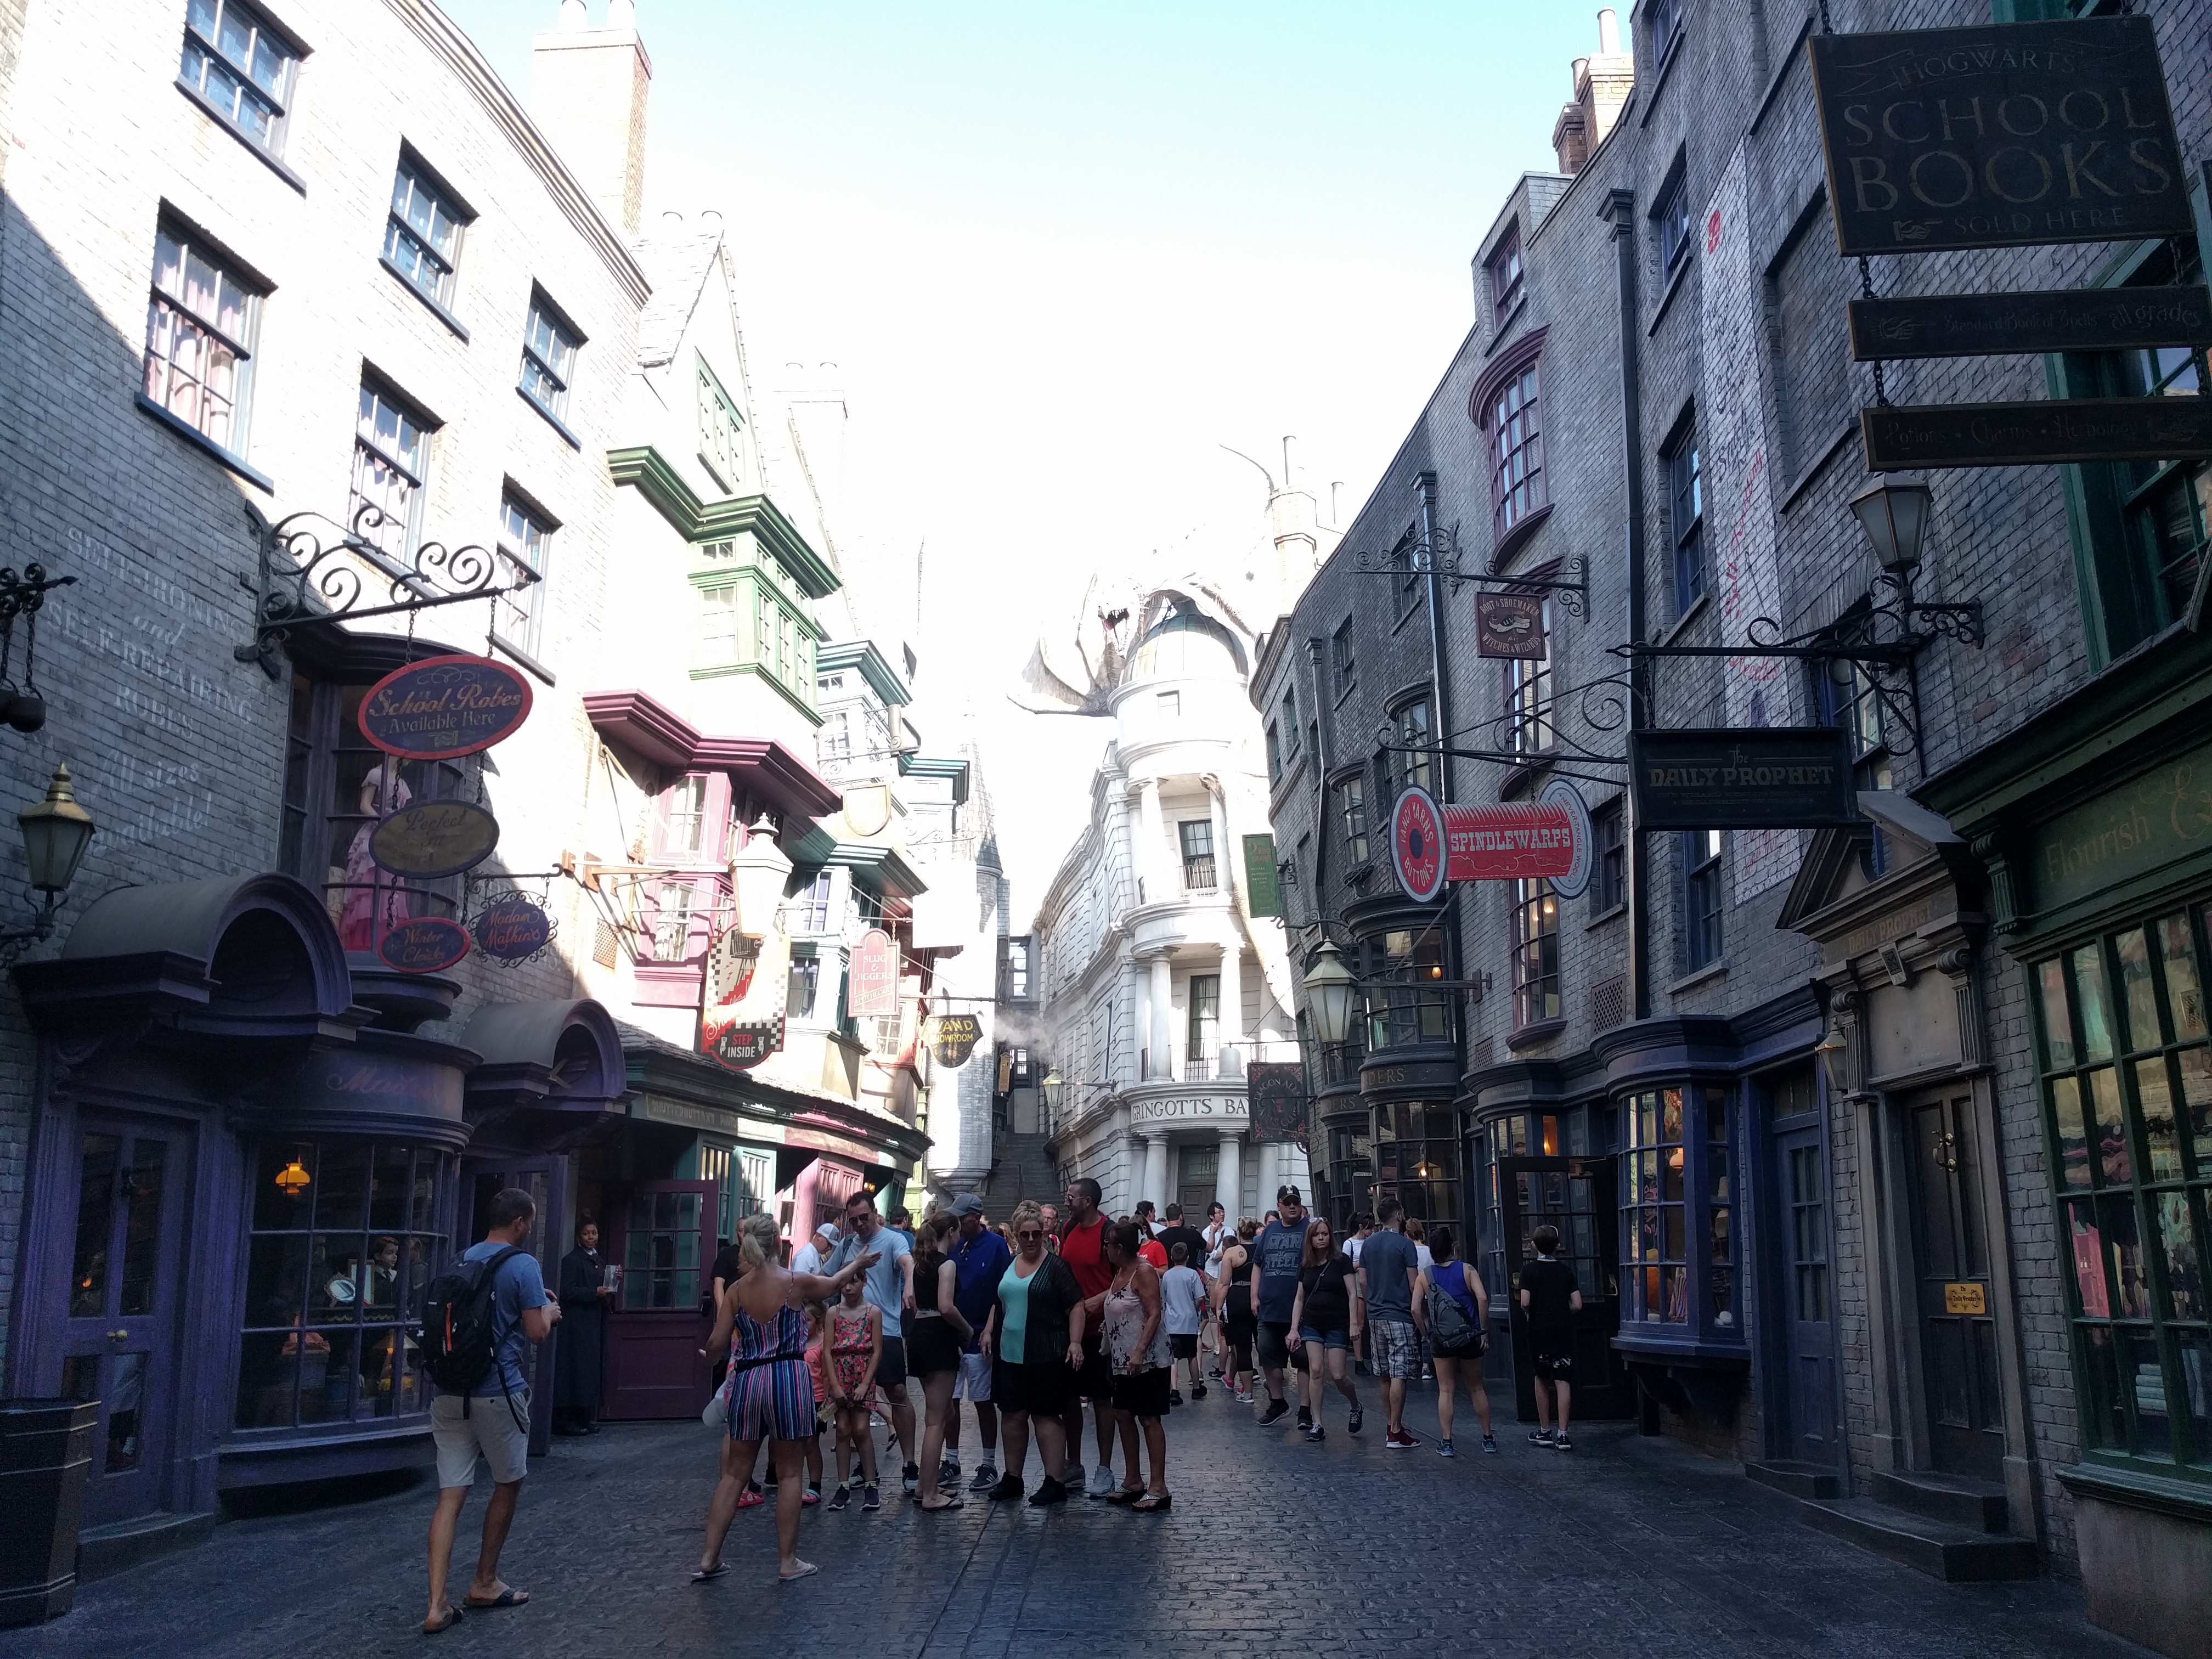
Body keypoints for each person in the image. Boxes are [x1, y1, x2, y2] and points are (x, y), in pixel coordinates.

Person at [695, 1213, 873, 1584]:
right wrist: (857, 1262)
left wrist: (709, 1358)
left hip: (748, 1380)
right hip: (787, 1378)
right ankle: (787, 1561)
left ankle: (709, 1558)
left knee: (735, 1474)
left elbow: (715, 1344)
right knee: (791, 1472)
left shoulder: (736, 1291)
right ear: (778, 1243)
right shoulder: (794, 1283)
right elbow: (833, 1284)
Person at [423, 1187, 558, 1635]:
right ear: (519, 1223)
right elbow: (536, 1332)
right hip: (498, 1390)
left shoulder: (462, 1259)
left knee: (450, 1495)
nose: (530, 1228)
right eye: (530, 1221)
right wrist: (550, 1312)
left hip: (449, 1391)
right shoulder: (524, 1265)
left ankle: (436, 1604)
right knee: (509, 1481)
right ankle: (484, 1580)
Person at [980, 1200, 1088, 1505]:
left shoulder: (1056, 1267)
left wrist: (1075, 1342)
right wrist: (988, 1330)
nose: (1031, 1239)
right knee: (1012, 1415)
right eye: (1025, 1234)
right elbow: (999, 1302)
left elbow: (1076, 1304)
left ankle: (1055, 1481)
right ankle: (1013, 1478)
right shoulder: (1009, 1264)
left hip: (1046, 1353)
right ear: (1016, 1235)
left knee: (1046, 1416)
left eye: (1036, 1234)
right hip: (1010, 1353)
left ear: (1043, 1234)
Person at [827, 1190, 919, 1492]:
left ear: (875, 1212)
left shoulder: (892, 1239)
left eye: (863, 1218)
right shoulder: (846, 1246)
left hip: (886, 1327)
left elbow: (907, 1262)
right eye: (853, 1220)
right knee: (855, 1401)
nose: (859, 1225)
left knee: (897, 1390)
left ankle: (909, 1463)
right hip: (849, 1331)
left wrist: (909, 1286)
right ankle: (867, 1467)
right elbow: (825, 1279)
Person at [1095, 1221, 1173, 1510]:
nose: (1104, 1249)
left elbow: (1154, 1314)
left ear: (1119, 1248)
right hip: (1122, 1359)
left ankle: (1158, 1487)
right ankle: (1133, 1481)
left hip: (1147, 1359)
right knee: (1123, 1413)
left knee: (1149, 1418)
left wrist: (1139, 1351)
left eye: (1107, 1244)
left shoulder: (1144, 1271)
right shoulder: (1120, 1271)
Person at [943, 1193, 1013, 1493]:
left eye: (962, 1218)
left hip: (980, 1332)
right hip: (953, 1335)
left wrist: (990, 1329)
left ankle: (989, 1463)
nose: (958, 1223)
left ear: (975, 1217)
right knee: (950, 1400)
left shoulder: (996, 1245)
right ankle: (951, 1459)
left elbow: (1002, 1290)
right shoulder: (955, 1243)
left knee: (983, 1401)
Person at [1055, 1177, 1120, 1497]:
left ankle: (1105, 1468)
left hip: (1099, 1332)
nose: (1066, 1202)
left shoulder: (1109, 1233)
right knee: (1069, 1398)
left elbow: (1124, 1278)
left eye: (1071, 1198)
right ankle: (1075, 1464)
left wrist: (1095, 1302)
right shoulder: (1068, 1229)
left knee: (1101, 1400)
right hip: (1070, 1330)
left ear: (1088, 1202)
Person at [907, 1212, 975, 1511]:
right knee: (935, 1419)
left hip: (920, 1333)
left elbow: (912, 1302)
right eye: (958, 1231)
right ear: (951, 1232)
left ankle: (925, 1485)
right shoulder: (946, 1264)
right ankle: (931, 1494)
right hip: (938, 1337)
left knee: (944, 1410)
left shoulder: (919, 1263)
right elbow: (946, 1306)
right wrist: (967, 1329)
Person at [1358, 1199, 1424, 1449]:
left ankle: (1390, 1425)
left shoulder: (1368, 1244)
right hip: (1400, 1314)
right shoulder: (1405, 1245)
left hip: (1376, 1314)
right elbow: (1413, 1284)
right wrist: (1421, 1314)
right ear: (1398, 1216)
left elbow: (1363, 1281)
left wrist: (1371, 1302)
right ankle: (1396, 1430)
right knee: (1399, 1373)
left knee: (1384, 1374)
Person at [1287, 1216, 1361, 1441]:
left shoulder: (1341, 1261)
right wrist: (1294, 1329)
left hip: (1337, 1323)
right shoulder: (1306, 1265)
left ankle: (1355, 1405)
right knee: (1316, 1370)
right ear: (1310, 1239)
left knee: (1338, 1375)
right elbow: (1299, 1298)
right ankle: (1317, 1422)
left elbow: (1352, 1293)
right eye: (1317, 1235)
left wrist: (1354, 1323)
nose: (1321, 1238)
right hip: (1312, 1324)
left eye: (1325, 1234)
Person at [1425, 1226, 1496, 1457]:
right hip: (1469, 1336)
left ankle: (1447, 1442)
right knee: (1476, 1387)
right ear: (1452, 1247)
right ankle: (1488, 1438)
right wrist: (1482, 1330)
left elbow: (1415, 1308)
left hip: (1441, 1338)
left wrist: (1427, 1332)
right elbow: (1482, 1298)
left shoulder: (1426, 1275)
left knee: (1446, 1390)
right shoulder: (1467, 1270)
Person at [1249, 1184, 1312, 1426]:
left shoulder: (1309, 1229)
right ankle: (1278, 1402)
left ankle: (1305, 1409)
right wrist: (1254, 1297)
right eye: (1288, 1203)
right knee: (1267, 1357)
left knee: (1303, 1361)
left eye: (1296, 1202)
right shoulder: (1270, 1230)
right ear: (1279, 1206)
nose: (1292, 1206)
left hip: (1301, 1310)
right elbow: (1258, 1264)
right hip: (1269, 1308)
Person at [1520, 1222, 1582, 1451]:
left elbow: (1525, 1302)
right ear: (1557, 1246)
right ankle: (1563, 1434)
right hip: (1562, 1329)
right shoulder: (1566, 1272)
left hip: (1539, 1330)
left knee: (1541, 1377)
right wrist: (1563, 1310)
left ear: (1534, 1245)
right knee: (1563, 1379)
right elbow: (1578, 1304)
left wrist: (1531, 1313)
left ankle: (1545, 1430)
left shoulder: (1529, 1271)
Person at [825, 1269, 883, 1510]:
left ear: (864, 1282)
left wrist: (866, 1383)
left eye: (854, 1282)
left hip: (862, 1373)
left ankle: (870, 1484)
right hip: (840, 1374)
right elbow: (827, 1351)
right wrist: (835, 1385)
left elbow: (877, 1351)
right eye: (844, 1283)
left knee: (861, 1428)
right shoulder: (833, 1313)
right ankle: (843, 1486)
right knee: (842, 1430)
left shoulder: (873, 1313)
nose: (848, 1288)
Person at [553, 1217, 611, 1436]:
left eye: (594, 1233)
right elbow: (566, 1291)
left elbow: (604, 1286)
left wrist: (612, 1281)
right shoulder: (571, 1261)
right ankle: (565, 1420)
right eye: (586, 1234)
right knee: (574, 1370)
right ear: (579, 1236)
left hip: (593, 1321)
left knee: (589, 1370)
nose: (590, 1238)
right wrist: (593, 1292)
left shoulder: (599, 1260)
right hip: (575, 1323)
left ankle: (585, 1417)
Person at [1216, 1218, 1258, 1402]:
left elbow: (1224, 1283)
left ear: (1239, 1233)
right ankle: (1274, 1388)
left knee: (1242, 1347)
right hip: (1259, 1297)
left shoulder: (1232, 1253)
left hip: (1238, 1298)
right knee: (1264, 1344)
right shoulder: (1261, 1250)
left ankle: (1247, 1392)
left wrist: (1219, 1307)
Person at [1160, 1242, 1206, 1404]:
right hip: (1189, 1322)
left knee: (1173, 1358)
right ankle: (1196, 1388)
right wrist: (1193, 1308)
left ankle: (1174, 1390)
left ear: (1172, 1258)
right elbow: (1200, 1297)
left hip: (1172, 1323)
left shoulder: (1167, 1276)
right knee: (1192, 1356)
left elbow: (1163, 1298)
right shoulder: (1192, 1274)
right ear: (1188, 1257)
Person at [1345, 1213, 1375, 1375]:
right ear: (1361, 1227)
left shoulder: (1371, 1241)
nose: (1372, 1231)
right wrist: (1360, 1263)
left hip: (1372, 1281)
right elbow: (1345, 1266)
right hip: (1357, 1282)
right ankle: (1359, 1359)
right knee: (1359, 1322)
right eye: (1369, 1228)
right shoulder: (1350, 1244)